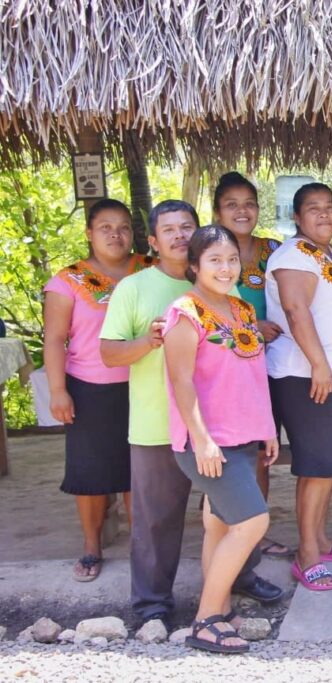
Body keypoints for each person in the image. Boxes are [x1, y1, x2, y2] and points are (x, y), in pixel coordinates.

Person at [100, 200, 281, 628]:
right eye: (170, 229)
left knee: (221, 516)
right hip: (159, 425)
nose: (180, 235)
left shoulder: (231, 296)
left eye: (187, 227)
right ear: (154, 240)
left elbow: (242, 361)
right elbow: (109, 354)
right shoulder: (136, 288)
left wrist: (264, 426)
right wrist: (148, 341)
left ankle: (227, 591)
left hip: (225, 427)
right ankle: (153, 608)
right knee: (157, 521)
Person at [164, 226, 278, 654]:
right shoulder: (184, 313)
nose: (225, 268)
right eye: (214, 260)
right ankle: (207, 620)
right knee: (252, 522)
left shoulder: (242, 310)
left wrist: (266, 427)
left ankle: (223, 608)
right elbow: (181, 382)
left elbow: (252, 377)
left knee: (219, 523)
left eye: (232, 259)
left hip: (244, 436)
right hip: (209, 443)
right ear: (194, 265)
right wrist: (203, 440)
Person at [43, 198, 155, 582]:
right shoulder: (68, 279)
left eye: (123, 227)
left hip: (146, 384)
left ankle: (142, 545)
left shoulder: (149, 268)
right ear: (89, 234)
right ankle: (92, 546)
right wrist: (58, 391)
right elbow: (55, 340)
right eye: (105, 227)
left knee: (138, 471)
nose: (116, 234)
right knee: (89, 474)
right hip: (90, 387)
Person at [265, 183, 332, 591]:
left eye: (330, 207)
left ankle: (321, 539)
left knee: (329, 467)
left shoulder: (329, 255)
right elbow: (295, 309)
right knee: (316, 466)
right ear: (296, 216)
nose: (324, 214)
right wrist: (319, 364)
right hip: (308, 376)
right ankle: (306, 553)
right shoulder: (292, 255)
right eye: (313, 208)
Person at [211, 171, 287, 558]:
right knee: (227, 452)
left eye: (249, 203)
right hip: (224, 371)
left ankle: (255, 532)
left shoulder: (274, 249)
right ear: (217, 210)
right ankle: (227, 531)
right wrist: (250, 327)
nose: (242, 211)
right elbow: (196, 306)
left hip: (272, 367)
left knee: (262, 451)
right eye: (232, 204)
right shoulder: (206, 253)